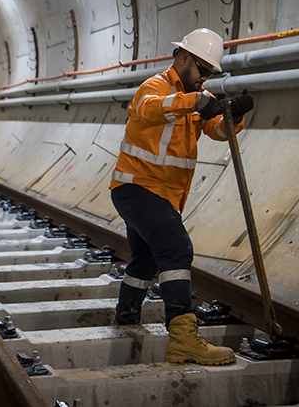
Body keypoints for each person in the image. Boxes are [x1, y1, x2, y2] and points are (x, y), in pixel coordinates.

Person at [109, 28, 254, 366]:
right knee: (176, 249)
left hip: (156, 194)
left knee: (145, 259)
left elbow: (216, 130)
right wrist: (196, 101)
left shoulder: (193, 95)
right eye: (200, 69)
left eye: (208, 73)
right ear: (183, 57)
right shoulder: (157, 88)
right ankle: (183, 339)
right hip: (139, 187)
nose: (203, 77)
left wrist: (235, 115)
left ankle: (127, 315)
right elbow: (148, 109)